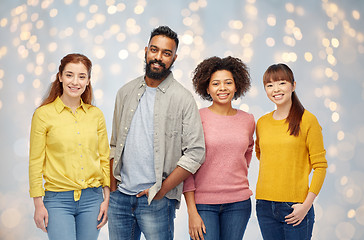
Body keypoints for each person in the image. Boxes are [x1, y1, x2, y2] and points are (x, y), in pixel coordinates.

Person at [107, 26, 205, 240]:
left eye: (166, 53)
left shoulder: (183, 98)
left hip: (157, 201)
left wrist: (161, 190)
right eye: (154, 50)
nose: (158, 57)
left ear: (174, 57)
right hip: (120, 199)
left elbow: (196, 152)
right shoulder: (125, 92)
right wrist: (113, 188)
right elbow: (114, 144)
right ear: (146, 50)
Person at [29, 53, 110, 240]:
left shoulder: (96, 115)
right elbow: (35, 162)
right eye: (69, 75)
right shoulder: (43, 115)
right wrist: (38, 204)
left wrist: (106, 199)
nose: (75, 82)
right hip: (57, 201)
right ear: (60, 77)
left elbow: (105, 158)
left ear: (88, 81)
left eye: (82, 76)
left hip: (93, 200)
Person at [183, 56, 254, 240]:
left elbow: (248, 151)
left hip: (239, 203)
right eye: (216, 83)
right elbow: (186, 166)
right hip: (203, 204)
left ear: (236, 86)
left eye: (228, 82)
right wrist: (191, 211)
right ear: (207, 88)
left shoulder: (248, 120)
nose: (222, 88)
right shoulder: (196, 118)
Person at [255, 63, 328, 240]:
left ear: (293, 85)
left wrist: (306, 205)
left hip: (296, 206)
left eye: (281, 83)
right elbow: (261, 155)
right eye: (269, 85)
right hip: (264, 205)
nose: (276, 89)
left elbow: (320, 167)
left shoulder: (308, 120)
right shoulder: (262, 123)